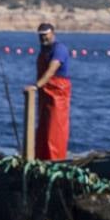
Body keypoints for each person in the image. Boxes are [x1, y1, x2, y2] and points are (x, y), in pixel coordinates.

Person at [27, 22, 71, 160]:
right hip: (45, 93)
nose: (43, 38)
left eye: (45, 35)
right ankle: (40, 158)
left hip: (58, 92)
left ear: (52, 33)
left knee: (55, 129)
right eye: (40, 36)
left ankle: (55, 159)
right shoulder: (43, 50)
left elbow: (51, 70)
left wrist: (36, 85)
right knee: (43, 129)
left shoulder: (60, 49)